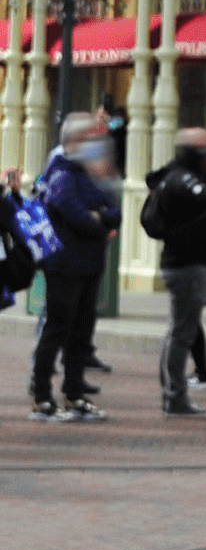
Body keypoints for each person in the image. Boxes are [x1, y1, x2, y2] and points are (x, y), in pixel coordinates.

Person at [31, 114, 121, 423]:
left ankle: (74, 393)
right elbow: (76, 215)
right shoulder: (62, 175)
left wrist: (101, 216)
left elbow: (114, 210)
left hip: (89, 263)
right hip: (65, 265)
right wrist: (99, 219)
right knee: (57, 328)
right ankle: (42, 397)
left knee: (82, 331)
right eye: (89, 137)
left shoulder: (88, 176)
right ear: (73, 141)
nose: (96, 143)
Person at [144, 128, 206, 416]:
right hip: (186, 265)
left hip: (194, 264)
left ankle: (174, 392)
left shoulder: (185, 177)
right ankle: (175, 396)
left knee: (180, 330)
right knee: (182, 333)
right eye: (205, 150)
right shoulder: (181, 179)